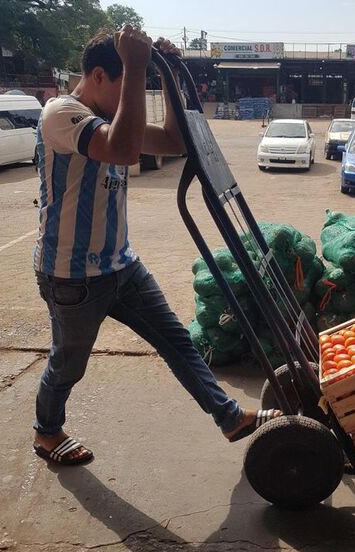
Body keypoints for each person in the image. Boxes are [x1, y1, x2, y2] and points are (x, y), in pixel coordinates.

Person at [32, 26, 281, 466]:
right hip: (70, 276)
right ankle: (47, 432)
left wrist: (165, 76)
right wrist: (137, 65)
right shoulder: (60, 113)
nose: (129, 93)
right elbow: (124, 150)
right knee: (68, 366)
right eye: (124, 80)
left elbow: (173, 140)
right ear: (97, 76)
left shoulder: (109, 120)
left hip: (121, 267)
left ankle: (228, 417)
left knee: (177, 341)